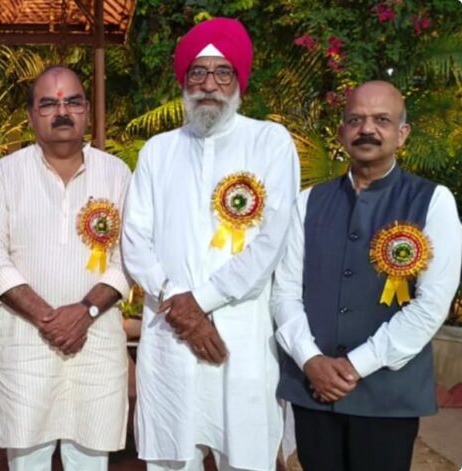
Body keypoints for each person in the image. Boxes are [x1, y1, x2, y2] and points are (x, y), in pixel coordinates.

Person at [122, 17, 301, 471]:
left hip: (241, 335)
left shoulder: (269, 142)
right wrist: (175, 299)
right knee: (171, 457)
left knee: (246, 455)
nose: (208, 85)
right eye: (198, 73)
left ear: (239, 81)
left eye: (223, 73)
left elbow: (272, 240)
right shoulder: (157, 150)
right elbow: (135, 239)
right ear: (183, 81)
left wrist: (198, 302)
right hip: (170, 335)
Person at [272, 80, 462, 471]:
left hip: (386, 394)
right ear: (342, 131)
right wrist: (310, 360)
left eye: (381, 120)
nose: (367, 129)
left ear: (402, 133)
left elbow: (431, 305)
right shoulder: (309, 202)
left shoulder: (432, 201)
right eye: (355, 119)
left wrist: (355, 365)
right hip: (313, 389)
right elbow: (285, 291)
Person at [0, 65, 132, 470]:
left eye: (73, 102)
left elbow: (128, 257)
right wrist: (49, 319)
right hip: (25, 347)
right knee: (27, 461)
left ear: (87, 111)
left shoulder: (116, 174)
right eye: (48, 104)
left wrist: (84, 313)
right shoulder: (5, 173)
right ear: (31, 116)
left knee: (91, 461)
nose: (62, 112)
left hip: (96, 347)